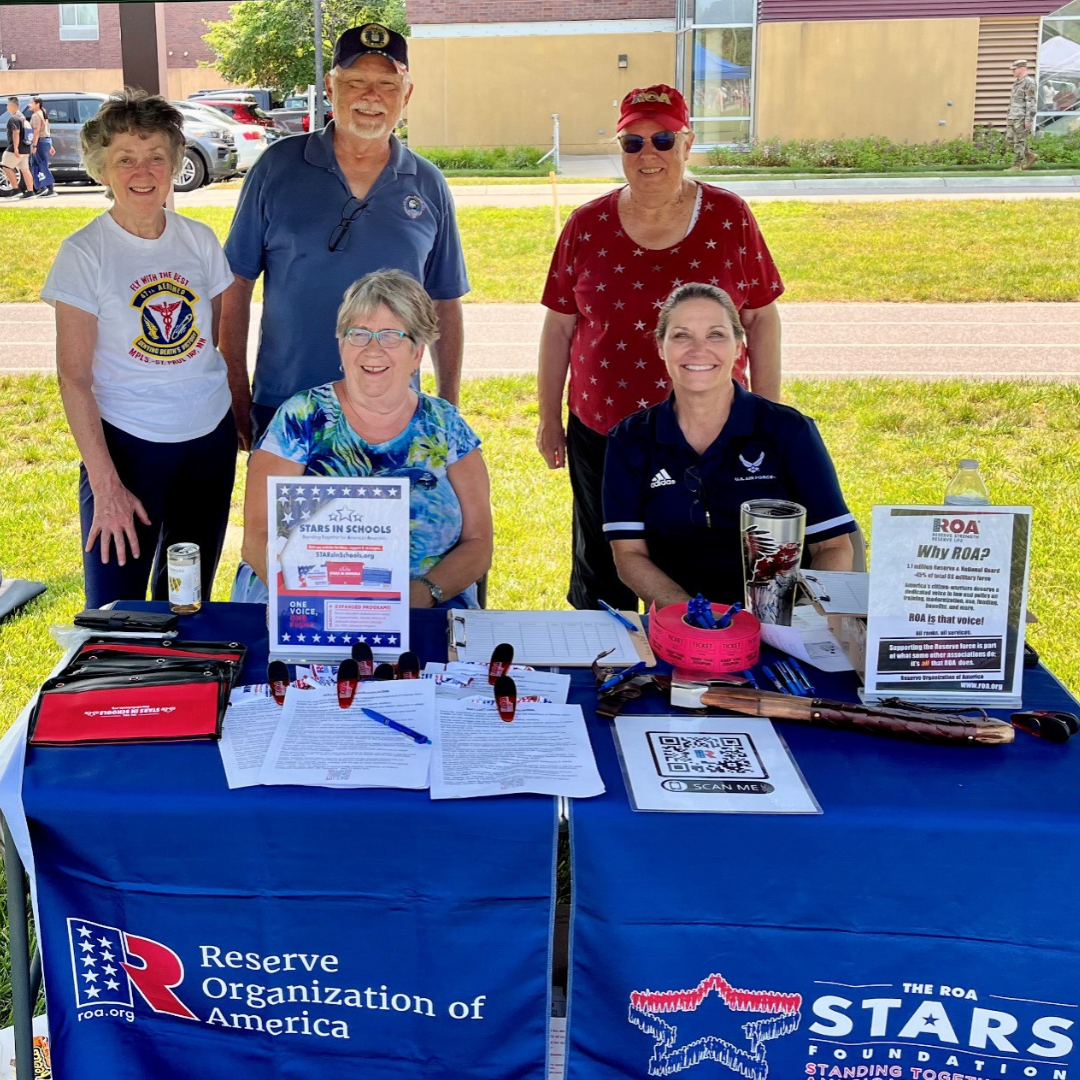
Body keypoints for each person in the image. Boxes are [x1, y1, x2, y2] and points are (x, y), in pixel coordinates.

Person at [537, 83, 784, 611]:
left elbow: (761, 317)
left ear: (687, 144)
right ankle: (607, 660)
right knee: (604, 563)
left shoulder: (729, 216)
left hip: (710, 430)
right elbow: (559, 327)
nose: (648, 153)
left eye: (664, 140)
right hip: (603, 429)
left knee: (705, 562)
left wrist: (767, 413)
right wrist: (548, 419)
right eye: (634, 142)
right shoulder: (586, 223)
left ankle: (705, 650)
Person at [41, 89, 244, 608]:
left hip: (208, 442)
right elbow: (73, 379)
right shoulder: (84, 253)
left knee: (187, 601)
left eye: (156, 156)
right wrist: (106, 485)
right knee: (115, 611)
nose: (143, 171)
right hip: (128, 447)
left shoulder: (199, 239)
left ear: (174, 163)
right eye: (125, 158)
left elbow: (207, 341)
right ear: (102, 169)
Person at [222, 22, 468, 450]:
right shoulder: (277, 167)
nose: (371, 97)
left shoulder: (427, 183)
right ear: (331, 88)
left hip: (392, 412)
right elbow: (235, 284)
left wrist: (447, 407)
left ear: (406, 95)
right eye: (356, 82)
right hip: (286, 406)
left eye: (387, 85)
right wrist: (235, 389)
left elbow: (444, 301)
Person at [240, 269, 492, 609]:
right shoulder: (302, 416)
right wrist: (310, 599)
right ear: (341, 345)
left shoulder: (445, 425)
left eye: (391, 336)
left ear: (417, 353)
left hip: (426, 604)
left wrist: (422, 595)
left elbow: (478, 542)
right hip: (303, 602)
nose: (373, 350)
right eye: (359, 334)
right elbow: (256, 538)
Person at [603, 283, 854, 609]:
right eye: (681, 336)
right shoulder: (629, 439)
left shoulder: (789, 431)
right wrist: (695, 617)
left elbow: (833, 546)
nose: (698, 349)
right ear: (661, 346)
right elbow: (629, 554)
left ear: (738, 346)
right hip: (681, 620)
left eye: (716, 335)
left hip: (783, 620)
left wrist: (803, 616)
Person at [1006, 59, 1037, 171]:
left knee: (1019, 141)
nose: (1012, 71)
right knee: (1010, 140)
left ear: (1022, 69)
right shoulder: (1016, 83)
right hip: (1013, 116)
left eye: (1014, 69)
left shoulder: (1029, 83)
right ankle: (1030, 155)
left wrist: (1028, 119)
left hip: (1021, 117)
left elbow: (1031, 102)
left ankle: (1017, 165)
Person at [2, 96, 33, 199]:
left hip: (17, 148)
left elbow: (16, 132)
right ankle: (30, 192)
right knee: (25, 170)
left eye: (7, 105)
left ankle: (16, 190)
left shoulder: (14, 118)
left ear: (11, 106)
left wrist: (15, 148)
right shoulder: (22, 117)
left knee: (6, 166)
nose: (7, 107)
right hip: (26, 147)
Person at [29, 95, 56, 198]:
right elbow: (47, 130)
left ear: (38, 104)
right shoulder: (43, 113)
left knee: (41, 165)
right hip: (45, 140)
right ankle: (43, 187)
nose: (30, 105)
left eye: (32, 103)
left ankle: (49, 189)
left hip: (40, 142)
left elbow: (36, 131)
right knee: (40, 164)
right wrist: (50, 145)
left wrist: (34, 146)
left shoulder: (36, 115)